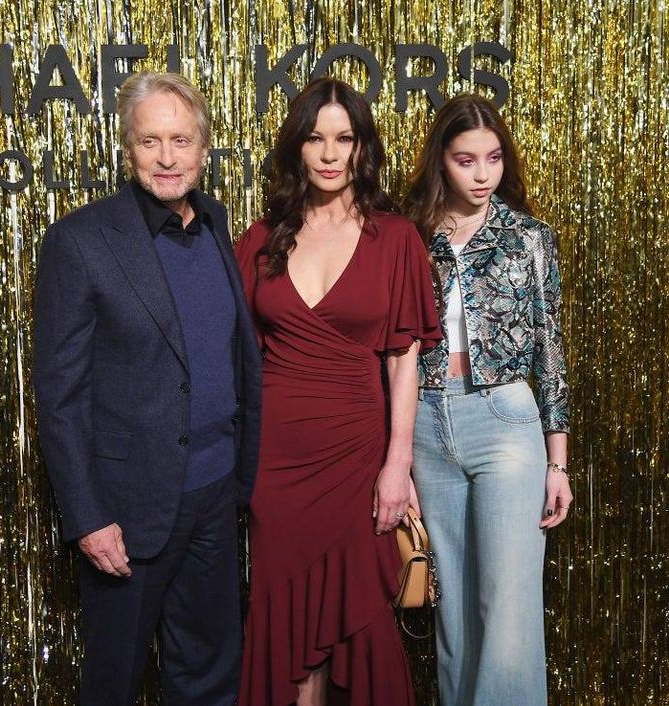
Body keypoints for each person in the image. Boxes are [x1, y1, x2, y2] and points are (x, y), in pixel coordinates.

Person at [32, 71, 262, 705]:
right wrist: (87, 516)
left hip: (216, 495)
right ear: (128, 149)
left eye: (181, 141)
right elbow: (59, 396)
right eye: (150, 141)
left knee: (211, 675)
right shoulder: (81, 241)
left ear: (204, 148)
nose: (167, 157)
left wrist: (239, 481)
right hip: (128, 511)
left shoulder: (215, 225)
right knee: (114, 681)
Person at [235, 77, 441, 706]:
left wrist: (397, 463)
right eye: (315, 138)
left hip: (358, 453)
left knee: (357, 616)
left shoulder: (396, 238)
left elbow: (403, 362)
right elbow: (233, 356)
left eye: (343, 139)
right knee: (289, 616)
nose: (329, 153)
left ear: (361, 149)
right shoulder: (259, 239)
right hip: (277, 459)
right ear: (297, 148)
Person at [402, 94, 573, 706]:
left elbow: (550, 351)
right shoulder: (409, 237)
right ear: (441, 163)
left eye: (494, 159)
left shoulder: (528, 238)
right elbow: (389, 349)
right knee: (456, 618)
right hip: (426, 419)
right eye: (466, 160)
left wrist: (558, 463)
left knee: (507, 612)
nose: (482, 174)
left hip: (505, 420)